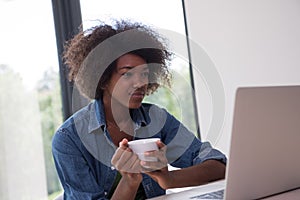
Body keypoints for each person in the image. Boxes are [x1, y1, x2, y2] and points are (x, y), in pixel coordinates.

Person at [52, 19, 227, 200]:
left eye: (144, 73)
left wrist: (168, 179)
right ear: (102, 79)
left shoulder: (157, 119)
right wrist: (129, 181)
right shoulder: (69, 139)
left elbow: (218, 165)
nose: (141, 83)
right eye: (127, 74)